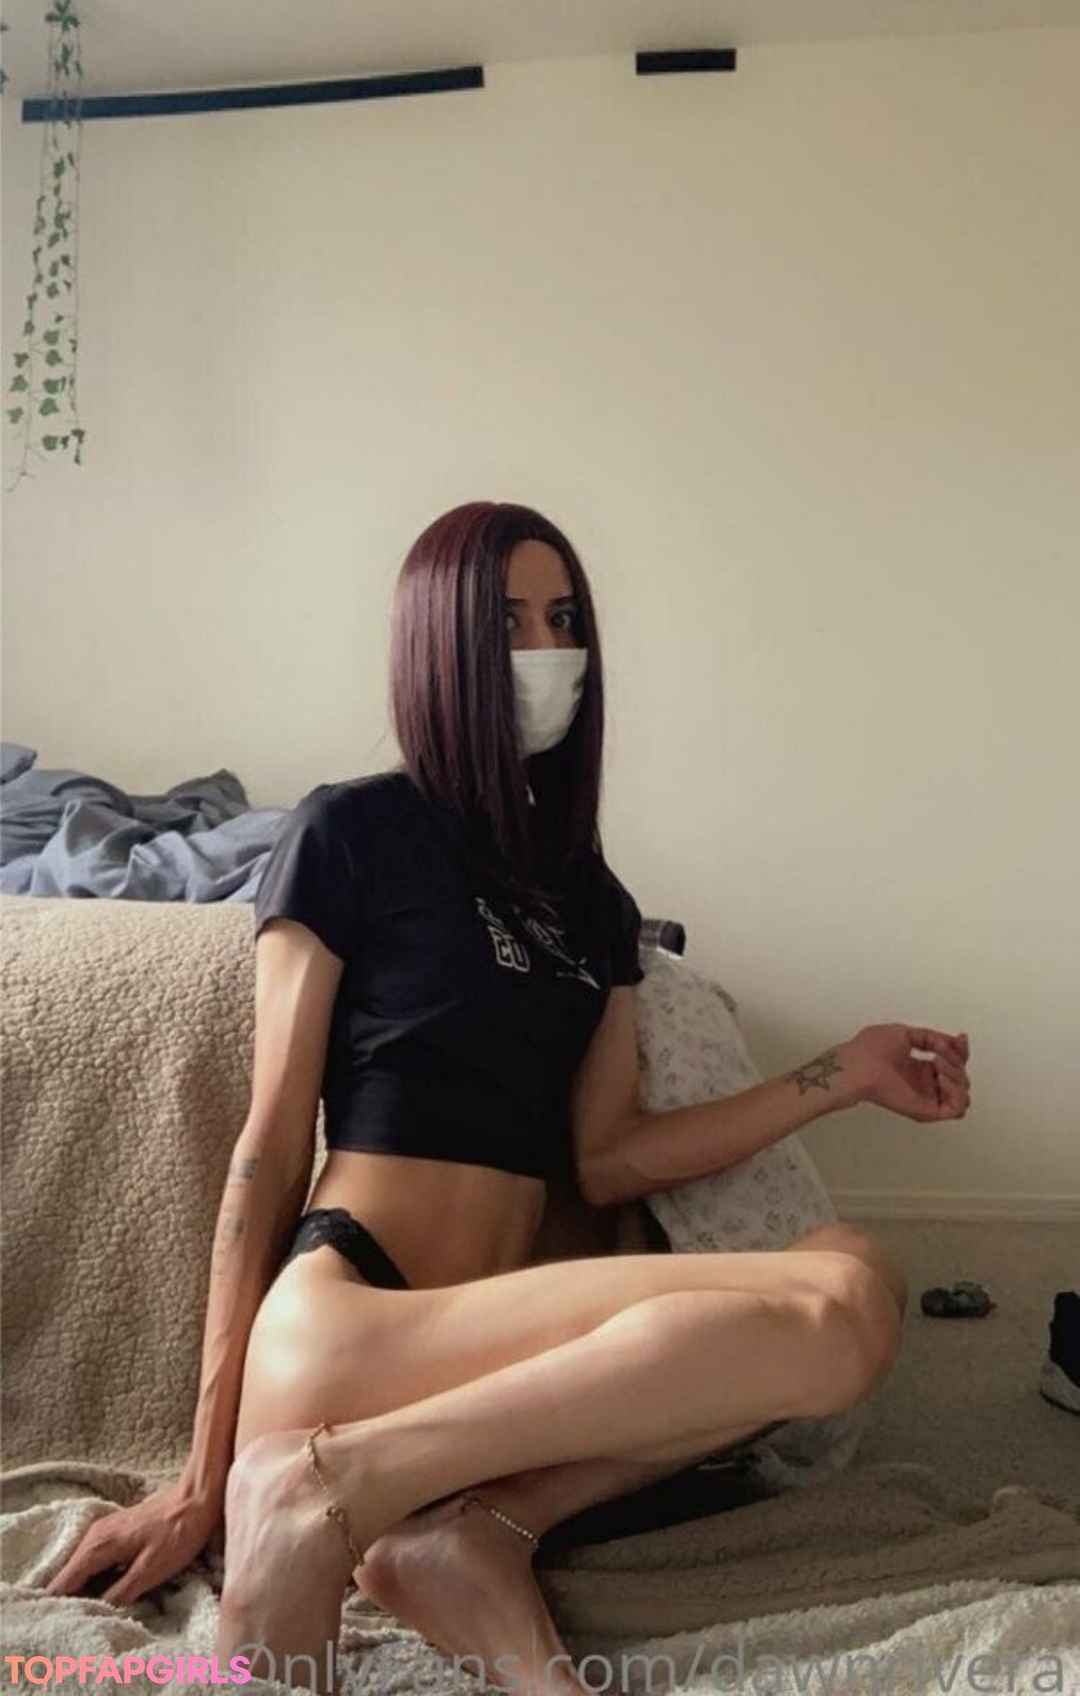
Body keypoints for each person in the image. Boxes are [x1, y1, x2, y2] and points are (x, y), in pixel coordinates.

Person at [45, 503, 971, 1696]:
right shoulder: (352, 830)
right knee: (837, 1305)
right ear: (441, 644)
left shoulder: (592, 900)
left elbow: (611, 1156)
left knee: (856, 1273)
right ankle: (309, 1485)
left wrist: (843, 1072)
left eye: (565, 619)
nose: (548, 651)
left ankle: (465, 1526)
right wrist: (196, 1476)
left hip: (496, 1361)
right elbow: (268, 1142)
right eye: (511, 622)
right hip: (353, 1322)